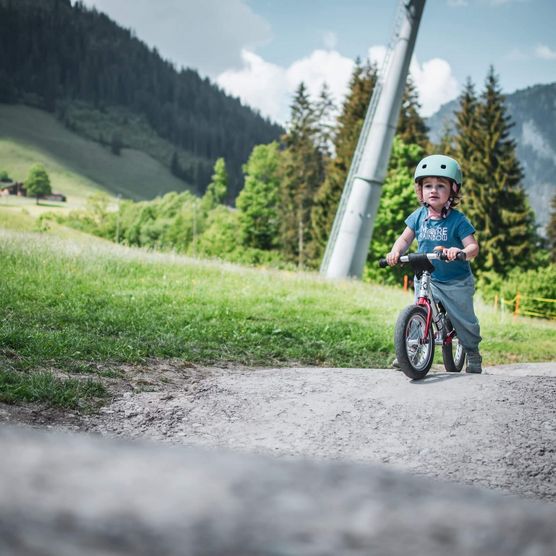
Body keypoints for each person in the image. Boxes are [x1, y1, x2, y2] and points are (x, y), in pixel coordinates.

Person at [386, 154, 483, 373]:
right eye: (428, 185)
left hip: (456, 280)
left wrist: (460, 252)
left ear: (453, 190)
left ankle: (472, 351)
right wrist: (395, 251)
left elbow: (473, 247)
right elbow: (404, 239)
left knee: (464, 320)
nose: (433, 190)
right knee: (418, 311)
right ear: (420, 190)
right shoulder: (418, 216)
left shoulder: (458, 220)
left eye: (440, 186)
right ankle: (408, 351)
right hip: (426, 275)